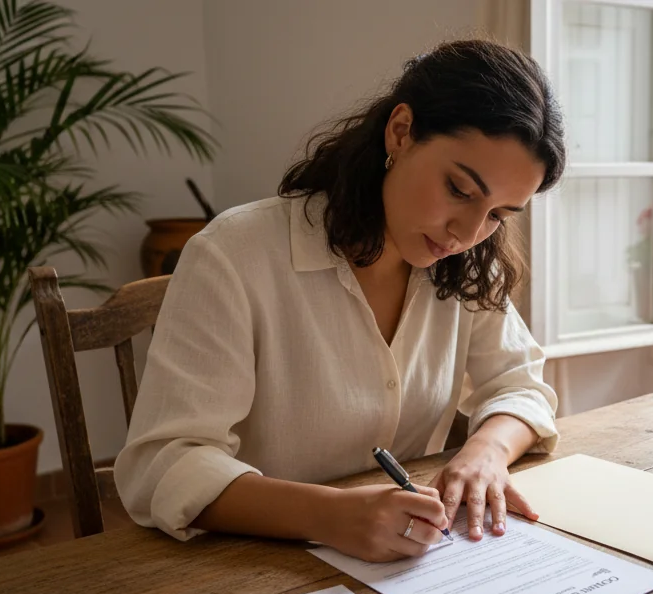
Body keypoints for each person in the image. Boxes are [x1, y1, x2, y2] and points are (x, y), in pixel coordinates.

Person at [114, 40, 565, 563]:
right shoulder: (234, 255)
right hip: (248, 566)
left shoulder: (466, 265)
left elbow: (520, 385)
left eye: (497, 215)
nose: (467, 232)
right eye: (460, 190)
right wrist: (329, 515)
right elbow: (164, 464)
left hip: (407, 566)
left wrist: (486, 454)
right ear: (401, 132)